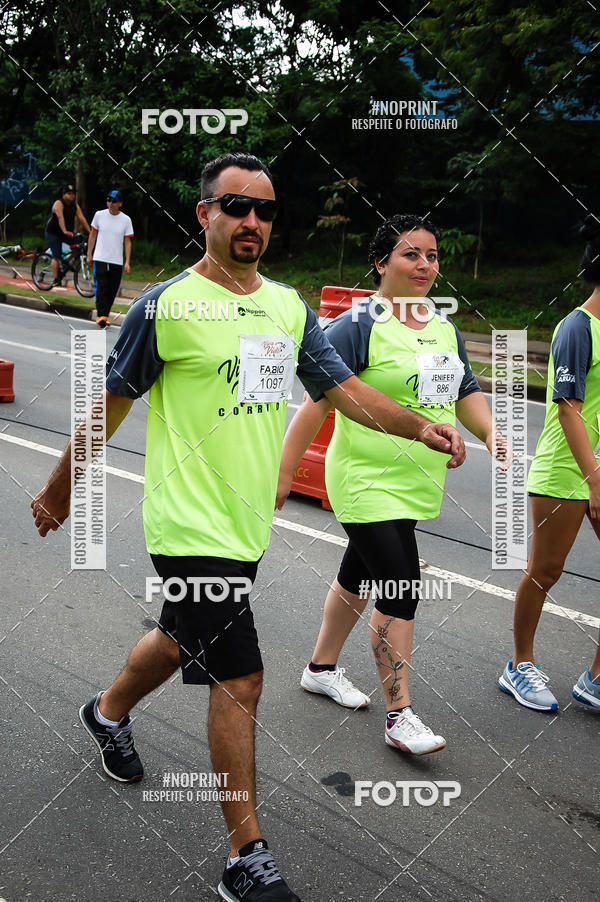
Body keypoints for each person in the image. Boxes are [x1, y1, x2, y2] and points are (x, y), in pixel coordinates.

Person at [30, 157, 465, 902]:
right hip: (187, 521)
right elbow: (108, 408)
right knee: (242, 676)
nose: (252, 222)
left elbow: (345, 390)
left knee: (178, 638)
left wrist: (418, 425)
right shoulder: (165, 306)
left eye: (264, 211)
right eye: (236, 206)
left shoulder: (288, 308)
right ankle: (245, 857)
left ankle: (104, 712)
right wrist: (58, 491)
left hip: (242, 527)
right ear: (205, 214)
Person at [277, 214, 504, 756]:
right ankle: (399, 716)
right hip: (364, 479)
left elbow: (464, 389)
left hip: (415, 481)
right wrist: (283, 474)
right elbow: (317, 402)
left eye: (432, 255)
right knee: (400, 587)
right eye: (411, 254)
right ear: (381, 263)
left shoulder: (442, 326)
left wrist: (491, 431)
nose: (425, 264)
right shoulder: (359, 324)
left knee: (358, 574)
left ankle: (320, 668)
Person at [499, 216, 600, 713]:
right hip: (566, 472)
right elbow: (568, 410)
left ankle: (596, 678)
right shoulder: (577, 328)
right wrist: (594, 482)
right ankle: (519, 664)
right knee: (546, 570)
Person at [87, 189, 134, 328]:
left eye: (113, 201)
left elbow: (127, 241)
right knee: (101, 286)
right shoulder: (99, 215)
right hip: (100, 257)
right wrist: (89, 253)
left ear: (120, 203)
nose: (110, 203)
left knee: (112, 288)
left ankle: (105, 315)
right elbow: (93, 235)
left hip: (116, 259)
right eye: (108, 200)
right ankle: (101, 314)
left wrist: (127, 262)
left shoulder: (126, 220)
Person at [44, 185, 90, 288]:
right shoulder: (58, 204)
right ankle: (56, 279)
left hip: (67, 233)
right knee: (56, 255)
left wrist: (91, 232)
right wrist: (64, 231)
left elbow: (82, 218)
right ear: (64, 194)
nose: (72, 196)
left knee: (79, 246)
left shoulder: (74, 205)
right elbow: (60, 217)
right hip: (53, 233)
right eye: (69, 193)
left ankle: (66, 262)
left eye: (73, 193)